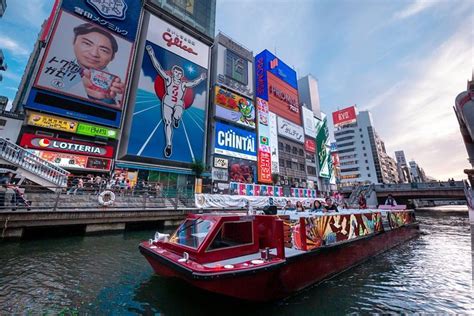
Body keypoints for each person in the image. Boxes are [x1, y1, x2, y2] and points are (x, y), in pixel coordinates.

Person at [146, 44, 207, 158]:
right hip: (168, 102)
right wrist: (151, 54)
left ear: (181, 75)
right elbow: (158, 68)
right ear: (173, 73)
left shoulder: (183, 84)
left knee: (179, 110)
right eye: (176, 72)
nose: (178, 74)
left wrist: (201, 78)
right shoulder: (168, 79)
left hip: (178, 102)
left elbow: (193, 83)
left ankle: (177, 118)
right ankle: (169, 145)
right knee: (167, 123)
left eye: (180, 73)